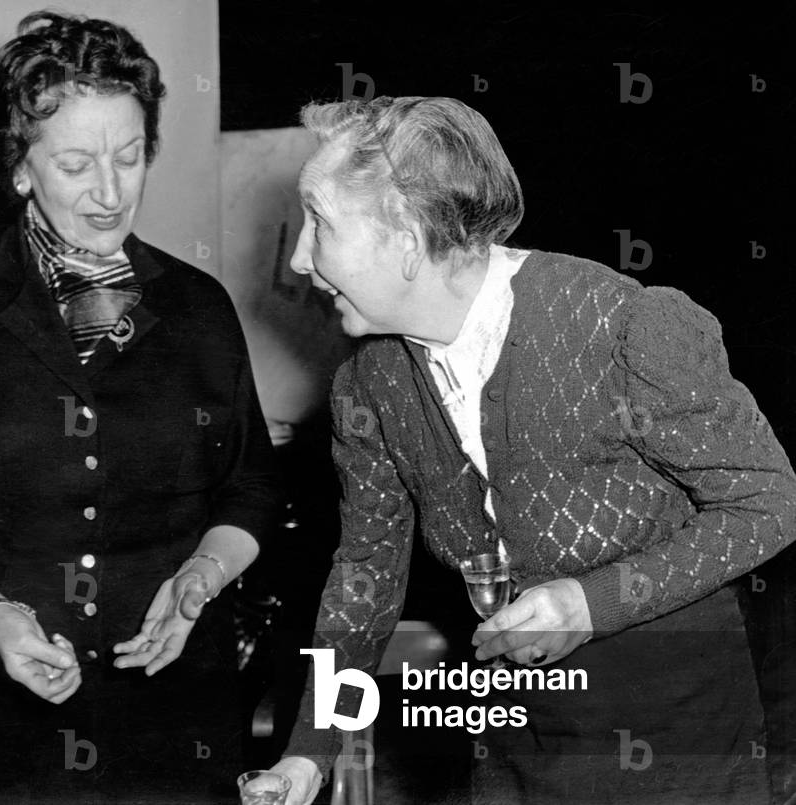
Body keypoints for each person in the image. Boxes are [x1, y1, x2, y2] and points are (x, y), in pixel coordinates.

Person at [266, 96, 796, 804]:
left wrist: (590, 600)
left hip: (679, 752)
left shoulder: (621, 327)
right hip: (514, 749)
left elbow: (769, 500)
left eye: (321, 224)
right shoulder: (370, 386)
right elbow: (364, 575)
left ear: (404, 236)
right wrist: (310, 747)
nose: (299, 258)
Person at [0, 11, 278, 803]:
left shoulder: (198, 308)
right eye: (75, 163)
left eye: (129, 157)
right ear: (20, 168)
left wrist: (201, 574)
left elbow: (251, 486)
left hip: (174, 722)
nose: (109, 190)